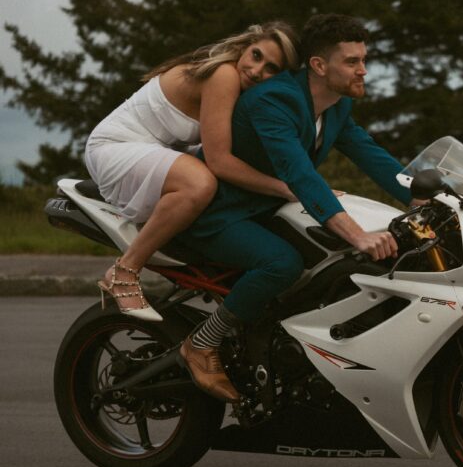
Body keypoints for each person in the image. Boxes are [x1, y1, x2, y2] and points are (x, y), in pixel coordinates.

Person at [174, 14, 412, 402]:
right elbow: (298, 174)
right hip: (220, 213)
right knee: (282, 264)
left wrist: (428, 195)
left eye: (363, 60)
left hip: (267, 210)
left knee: (333, 264)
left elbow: (373, 156)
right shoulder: (274, 100)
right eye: (351, 62)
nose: (363, 70)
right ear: (319, 65)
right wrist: (358, 234)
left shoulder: (335, 107)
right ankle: (203, 342)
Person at [84, 22, 301, 321]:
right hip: (116, 145)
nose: (256, 70)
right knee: (200, 184)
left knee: (205, 185)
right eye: (256, 55)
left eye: (271, 67)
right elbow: (220, 161)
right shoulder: (224, 75)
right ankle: (124, 271)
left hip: (154, 148)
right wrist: (285, 187)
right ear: (245, 46)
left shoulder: (245, 88)